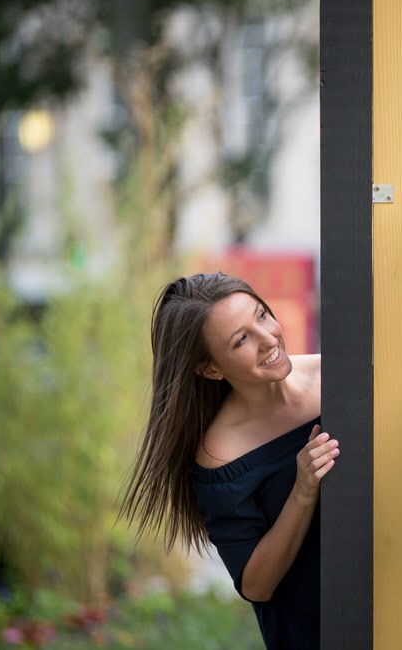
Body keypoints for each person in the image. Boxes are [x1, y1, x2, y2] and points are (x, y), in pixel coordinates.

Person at [119, 272, 338, 649]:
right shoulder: (220, 457)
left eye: (262, 315)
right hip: (314, 632)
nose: (268, 338)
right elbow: (256, 585)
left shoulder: (335, 377)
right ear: (209, 368)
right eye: (241, 339)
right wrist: (302, 491)